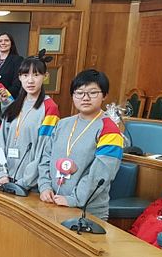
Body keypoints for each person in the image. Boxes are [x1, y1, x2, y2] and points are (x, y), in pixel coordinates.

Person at [38, 69, 123, 220]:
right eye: (79, 92)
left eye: (93, 93)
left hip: (87, 211)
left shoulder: (109, 130)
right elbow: (46, 157)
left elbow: (100, 174)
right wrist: (45, 186)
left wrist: (73, 199)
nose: (85, 98)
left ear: (104, 95)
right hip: (53, 203)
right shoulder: (62, 124)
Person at [0, 56, 60, 189]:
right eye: (25, 75)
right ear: (19, 77)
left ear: (45, 76)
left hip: (29, 185)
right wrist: (1, 173)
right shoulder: (14, 106)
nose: (30, 80)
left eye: (36, 75)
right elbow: (1, 141)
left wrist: (25, 182)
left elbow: (44, 150)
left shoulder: (49, 108)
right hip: (5, 180)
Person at [0, 33, 24, 99]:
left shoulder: (17, 60)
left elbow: (18, 81)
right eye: (0, 41)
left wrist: (7, 92)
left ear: (11, 43)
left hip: (7, 98)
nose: (3, 43)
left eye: (6, 40)